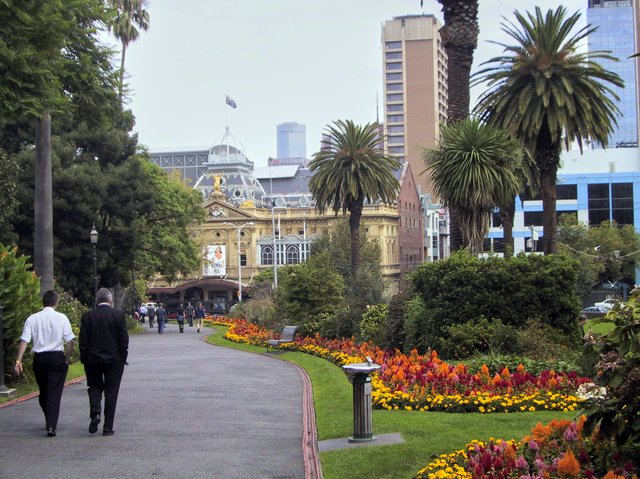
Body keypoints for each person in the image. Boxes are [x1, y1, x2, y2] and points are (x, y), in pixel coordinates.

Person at [14, 290, 75, 437]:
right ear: (56, 302)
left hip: (40, 359)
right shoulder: (62, 318)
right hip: (56, 358)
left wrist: (18, 360)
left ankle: (49, 417)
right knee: (54, 392)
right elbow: (70, 341)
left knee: (44, 390)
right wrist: (67, 358)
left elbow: (24, 340)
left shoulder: (32, 319)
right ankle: (51, 425)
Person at [79, 288, 129, 436]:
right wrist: (123, 357)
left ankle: (95, 413)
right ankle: (108, 427)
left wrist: (84, 358)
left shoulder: (87, 316)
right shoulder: (118, 315)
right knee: (111, 391)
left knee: (94, 386)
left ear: (96, 301)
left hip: (93, 359)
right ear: (110, 300)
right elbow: (123, 339)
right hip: (114, 359)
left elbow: (83, 341)